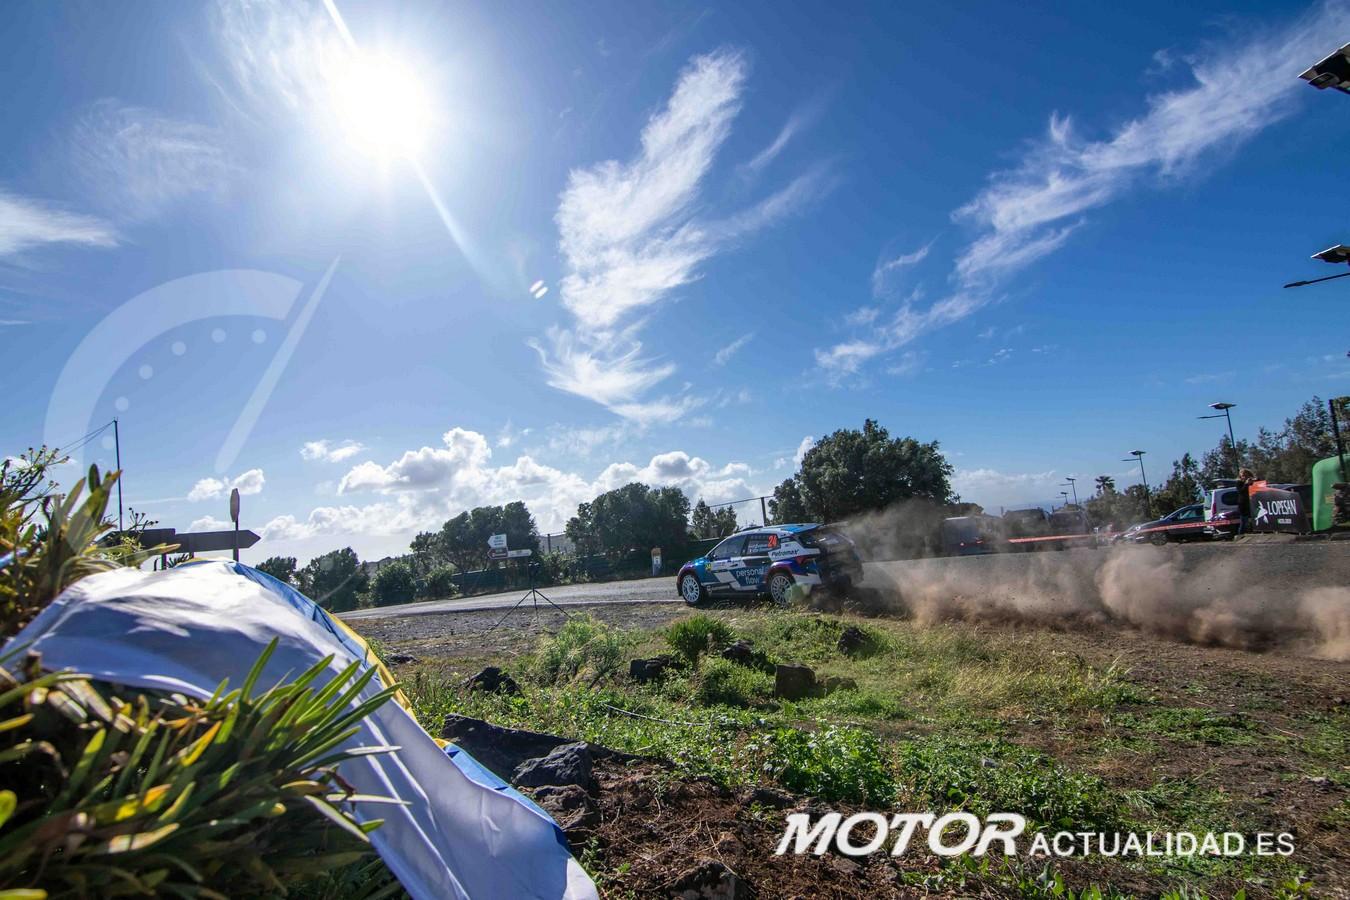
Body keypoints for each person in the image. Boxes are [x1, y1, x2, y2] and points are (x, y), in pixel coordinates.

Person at [1236, 468, 1257, 535]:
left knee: (1254, 520)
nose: (1244, 477)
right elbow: (1241, 491)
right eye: (1243, 476)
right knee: (1243, 522)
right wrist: (1246, 484)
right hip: (1243, 505)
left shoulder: (1251, 482)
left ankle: (1254, 532)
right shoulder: (1239, 483)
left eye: (1246, 475)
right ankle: (1240, 535)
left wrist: (1254, 480)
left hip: (1252, 503)